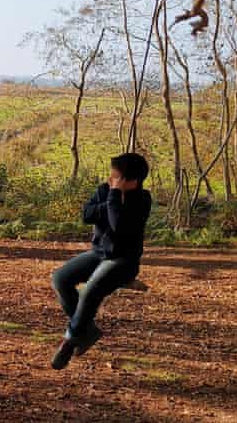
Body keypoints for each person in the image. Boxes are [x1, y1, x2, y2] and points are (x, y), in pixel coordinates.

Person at [50, 153, 152, 370]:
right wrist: (111, 198)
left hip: (123, 260)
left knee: (90, 290)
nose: (110, 179)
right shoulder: (104, 190)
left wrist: (115, 196)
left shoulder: (142, 200)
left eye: (115, 176)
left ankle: (69, 341)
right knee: (60, 278)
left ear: (131, 181)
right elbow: (87, 215)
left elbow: (119, 226)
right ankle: (88, 331)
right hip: (98, 254)